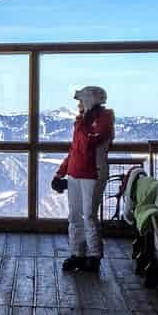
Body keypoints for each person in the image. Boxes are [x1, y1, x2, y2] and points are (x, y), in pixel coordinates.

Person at [51, 86, 114, 273]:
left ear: (90, 100)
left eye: (81, 101)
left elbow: (88, 145)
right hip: (76, 173)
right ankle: (77, 253)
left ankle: (94, 255)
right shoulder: (83, 121)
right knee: (74, 216)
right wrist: (61, 173)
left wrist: (82, 123)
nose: (78, 105)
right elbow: (74, 151)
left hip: (93, 173)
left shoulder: (104, 118)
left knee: (89, 216)